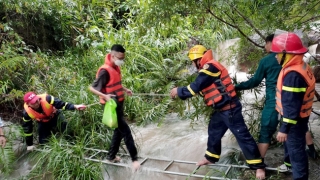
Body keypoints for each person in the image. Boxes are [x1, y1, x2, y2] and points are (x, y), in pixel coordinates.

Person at [170, 45, 266, 179]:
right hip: (221, 110)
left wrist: (178, 91)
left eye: (193, 61)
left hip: (230, 109)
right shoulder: (208, 68)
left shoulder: (210, 67)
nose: (193, 64)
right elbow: (205, 86)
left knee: (243, 137)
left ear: (198, 59)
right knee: (214, 132)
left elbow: (196, 86)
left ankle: (259, 167)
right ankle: (211, 157)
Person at [89, 44, 140, 171]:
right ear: (112, 55)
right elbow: (92, 88)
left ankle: (111, 156)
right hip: (111, 106)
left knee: (118, 131)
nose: (121, 61)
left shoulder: (115, 67)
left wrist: (125, 89)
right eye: (120, 58)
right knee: (126, 131)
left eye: (123, 58)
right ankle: (134, 160)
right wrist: (105, 96)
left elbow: (115, 83)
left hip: (119, 103)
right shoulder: (104, 71)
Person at [272, 32, 315, 179]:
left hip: (294, 122)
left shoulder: (293, 75)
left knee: (297, 153)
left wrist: (284, 129)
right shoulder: (300, 65)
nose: (275, 56)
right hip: (300, 119)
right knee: (293, 148)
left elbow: (292, 107)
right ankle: (289, 165)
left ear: (286, 54)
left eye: (277, 53)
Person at [235, 34, 281, 163]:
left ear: (271, 43)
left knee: (265, 131)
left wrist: (236, 87)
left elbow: (254, 81)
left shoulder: (266, 61)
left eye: (266, 43)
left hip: (274, 101)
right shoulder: (290, 58)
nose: (265, 47)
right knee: (290, 129)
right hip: (290, 101)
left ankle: (258, 164)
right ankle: (296, 159)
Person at [22, 92, 86, 151]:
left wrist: (75, 106)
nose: (37, 102)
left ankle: (75, 145)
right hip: (43, 122)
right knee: (43, 143)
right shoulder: (26, 113)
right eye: (34, 102)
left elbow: (62, 104)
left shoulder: (47, 98)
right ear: (28, 104)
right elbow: (27, 129)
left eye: (37, 100)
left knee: (67, 130)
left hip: (55, 115)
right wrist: (29, 144)